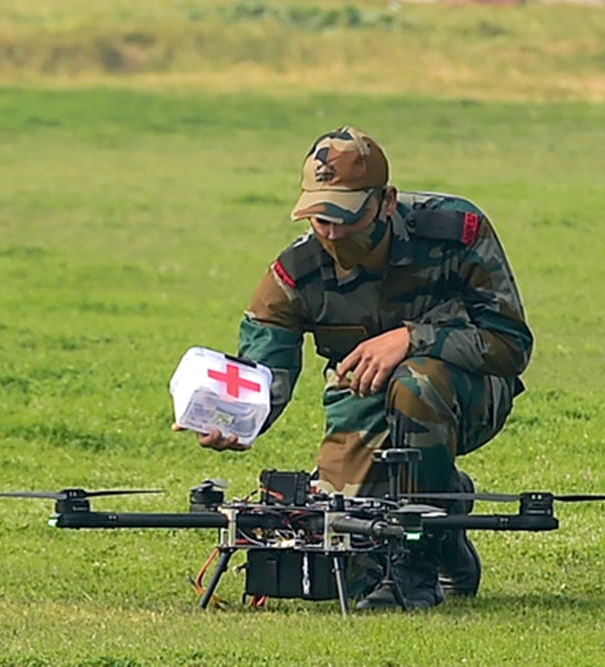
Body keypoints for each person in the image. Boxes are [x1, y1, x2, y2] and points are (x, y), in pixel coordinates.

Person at [173, 126, 533, 610]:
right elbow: (263, 372)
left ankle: (415, 572)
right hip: (361, 402)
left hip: (469, 393)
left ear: (386, 201)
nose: (332, 233)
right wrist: (233, 420)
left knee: (416, 381)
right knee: (346, 550)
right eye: (320, 218)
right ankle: (446, 511)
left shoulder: (455, 233)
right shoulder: (295, 274)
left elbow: (510, 344)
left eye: (346, 218)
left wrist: (411, 338)